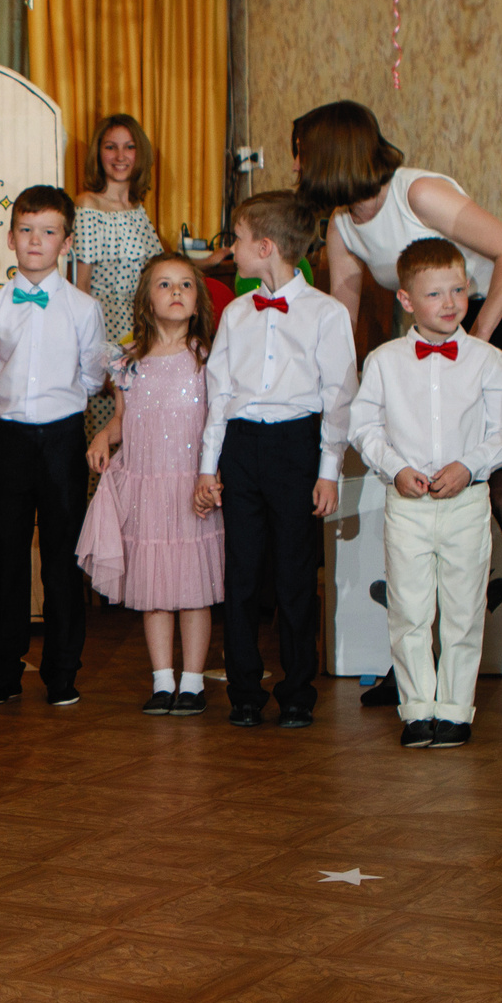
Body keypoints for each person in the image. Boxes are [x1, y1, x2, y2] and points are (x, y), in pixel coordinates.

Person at [293, 101, 502, 714]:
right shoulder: (343, 226)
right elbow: (343, 321)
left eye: (302, 153)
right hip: (429, 344)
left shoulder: (419, 193)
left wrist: (474, 350)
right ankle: (415, 665)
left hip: (495, 320)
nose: (298, 166)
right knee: (420, 497)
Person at [348, 238, 502, 751]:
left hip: (466, 503)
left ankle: (454, 710)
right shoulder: (384, 361)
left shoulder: (488, 360)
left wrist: (469, 466)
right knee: (409, 610)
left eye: (458, 290)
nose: (449, 303)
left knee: (464, 610)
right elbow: (364, 427)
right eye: (434, 294)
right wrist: (396, 468)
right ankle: (417, 708)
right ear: (406, 300)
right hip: (407, 505)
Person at [197, 192, 356, 730]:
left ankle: (297, 691)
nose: (232, 250)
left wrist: (328, 471)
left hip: (296, 446)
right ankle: (244, 691)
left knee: (294, 575)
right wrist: (208, 465)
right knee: (240, 574)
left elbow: (338, 397)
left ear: (265, 247)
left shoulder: (327, 314)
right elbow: (219, 393)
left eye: (237, 240)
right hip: (241, 446)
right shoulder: (236, 313)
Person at [0, 187, 107, 707]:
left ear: (66, 243)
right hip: (7, 441)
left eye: (48, 232)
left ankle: (63, 671)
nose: (35, 240)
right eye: (26, 230)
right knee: (7, 556)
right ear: (10, 238)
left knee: (62, 557)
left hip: (63, 440)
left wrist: (61, 401)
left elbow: (93, 376)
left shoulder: (84, 309)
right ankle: (4, 671)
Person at [79, 253, 226, 716]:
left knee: (194, 589)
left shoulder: (207, 357)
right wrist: (103, 436)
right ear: (146, 300)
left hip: (192, 488)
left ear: (198, 300)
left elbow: (218, 422)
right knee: (155, 590)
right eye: (164, 284)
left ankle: (193, 682)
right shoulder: (128, 362)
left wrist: (213, 475)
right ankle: (163, 680)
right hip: (147, 486)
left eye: (186, 284)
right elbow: (123, 419)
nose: (176, 291)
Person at [72, 114, 165, 442]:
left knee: (140, 429)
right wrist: (92, 354)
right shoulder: (87, 205)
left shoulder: (137, 208)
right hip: (105, 329)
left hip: (142, 327)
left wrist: (210, 260)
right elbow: (81, 286)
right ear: (98, 153)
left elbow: (158, 270)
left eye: (129, 147)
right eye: (111, 147)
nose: (120, 156)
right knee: (107, 427)